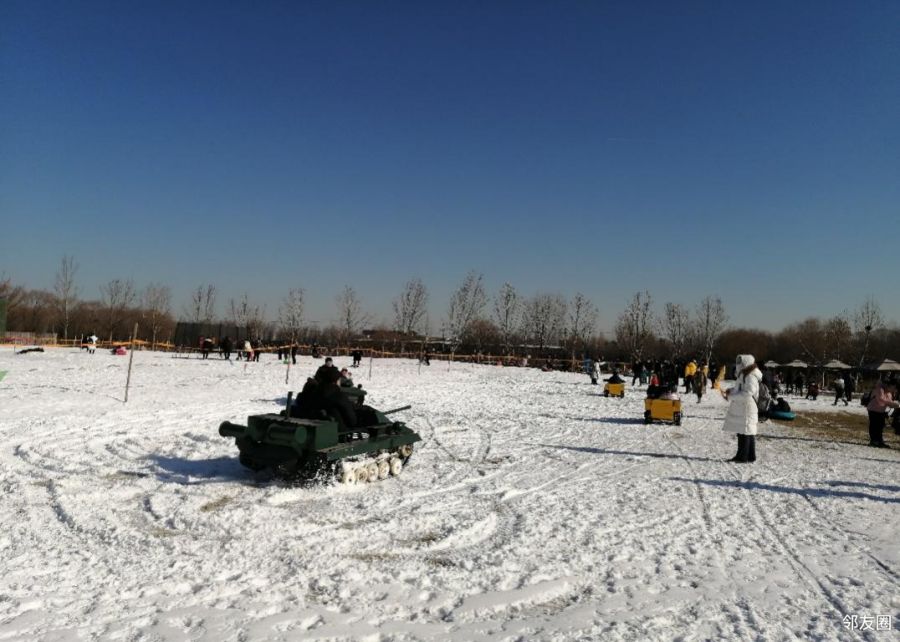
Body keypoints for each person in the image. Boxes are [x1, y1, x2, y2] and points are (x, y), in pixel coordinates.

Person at [722, 354, 762, 463]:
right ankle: (749, 456)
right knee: (744, 431)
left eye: (741, 363)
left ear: (746, 363)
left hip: (748, 407)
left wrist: (731, 396)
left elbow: (748, 392)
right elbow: (740, 389)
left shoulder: (750, 375)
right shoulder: (745, 374)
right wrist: (731, 391)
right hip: (744, 406)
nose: (738, 365)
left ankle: (743, 457)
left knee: (745, 432)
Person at [865, 378, 899, 448]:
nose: (894, 390)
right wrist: (893, 404)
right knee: (874, 425)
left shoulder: (889, 393)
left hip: (881, 411)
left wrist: (894, 405)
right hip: (873, 410)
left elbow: (888, 402)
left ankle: (880, 441)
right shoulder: (880, 389)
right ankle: (873, 441)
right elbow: (881, 400)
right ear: (890, 385)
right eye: (894, 388)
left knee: (880, 426)